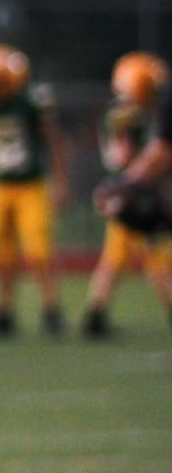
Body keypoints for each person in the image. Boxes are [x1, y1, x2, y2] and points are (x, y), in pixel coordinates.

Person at [0, 46, 68, 336]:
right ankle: (4, 311)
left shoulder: (31, 102)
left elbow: (55, 141)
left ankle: (51, 308)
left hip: (30, 185)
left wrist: (61, 180)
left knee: (38, 250)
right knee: (2, 255)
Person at [88, 54, 172, 334]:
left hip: (123, 191)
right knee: (157, 260)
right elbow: (130, 155)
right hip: (134, 193)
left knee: (113, 260)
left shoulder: (120, 110)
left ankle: (95, 315)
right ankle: (96, 316)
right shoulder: (129, 115)